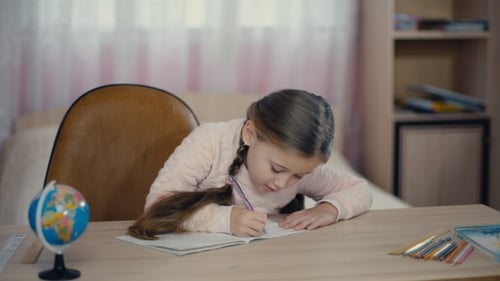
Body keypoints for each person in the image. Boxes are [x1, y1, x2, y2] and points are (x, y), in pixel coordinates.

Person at [127, 89, 372, 240]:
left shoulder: (299, 167)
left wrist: (329, 209)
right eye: (277, 169)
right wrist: (227, 220)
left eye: (299, 176)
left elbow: (360, 189)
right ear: (250, 135)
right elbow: (158, 202)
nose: (283, 183)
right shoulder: (209, 143)